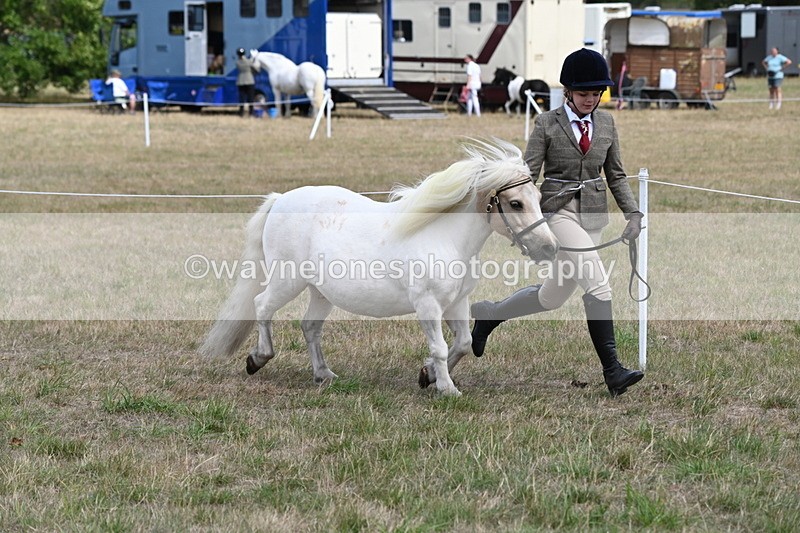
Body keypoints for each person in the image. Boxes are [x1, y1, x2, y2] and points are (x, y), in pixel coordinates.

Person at [470, 48, 644, 396]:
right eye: (583, 94)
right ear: (568, 91)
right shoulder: (546, 124)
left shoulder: (607, 123)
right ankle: (613, 371)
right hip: (556, 212)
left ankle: (490, 315)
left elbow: (615, 174)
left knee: (552, 297)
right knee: (598, 285)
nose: (590, 100)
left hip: (592, 214)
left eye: (596, 94)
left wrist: (633, 213)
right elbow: (526, 175)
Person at [236, 48, 260, 117]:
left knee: (242, 98)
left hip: (241, 81)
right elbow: (256, 69)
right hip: (250, 80)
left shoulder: (237, 62)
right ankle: (251, 112)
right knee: (250, 98)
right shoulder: (248, 61)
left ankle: (241, 113)